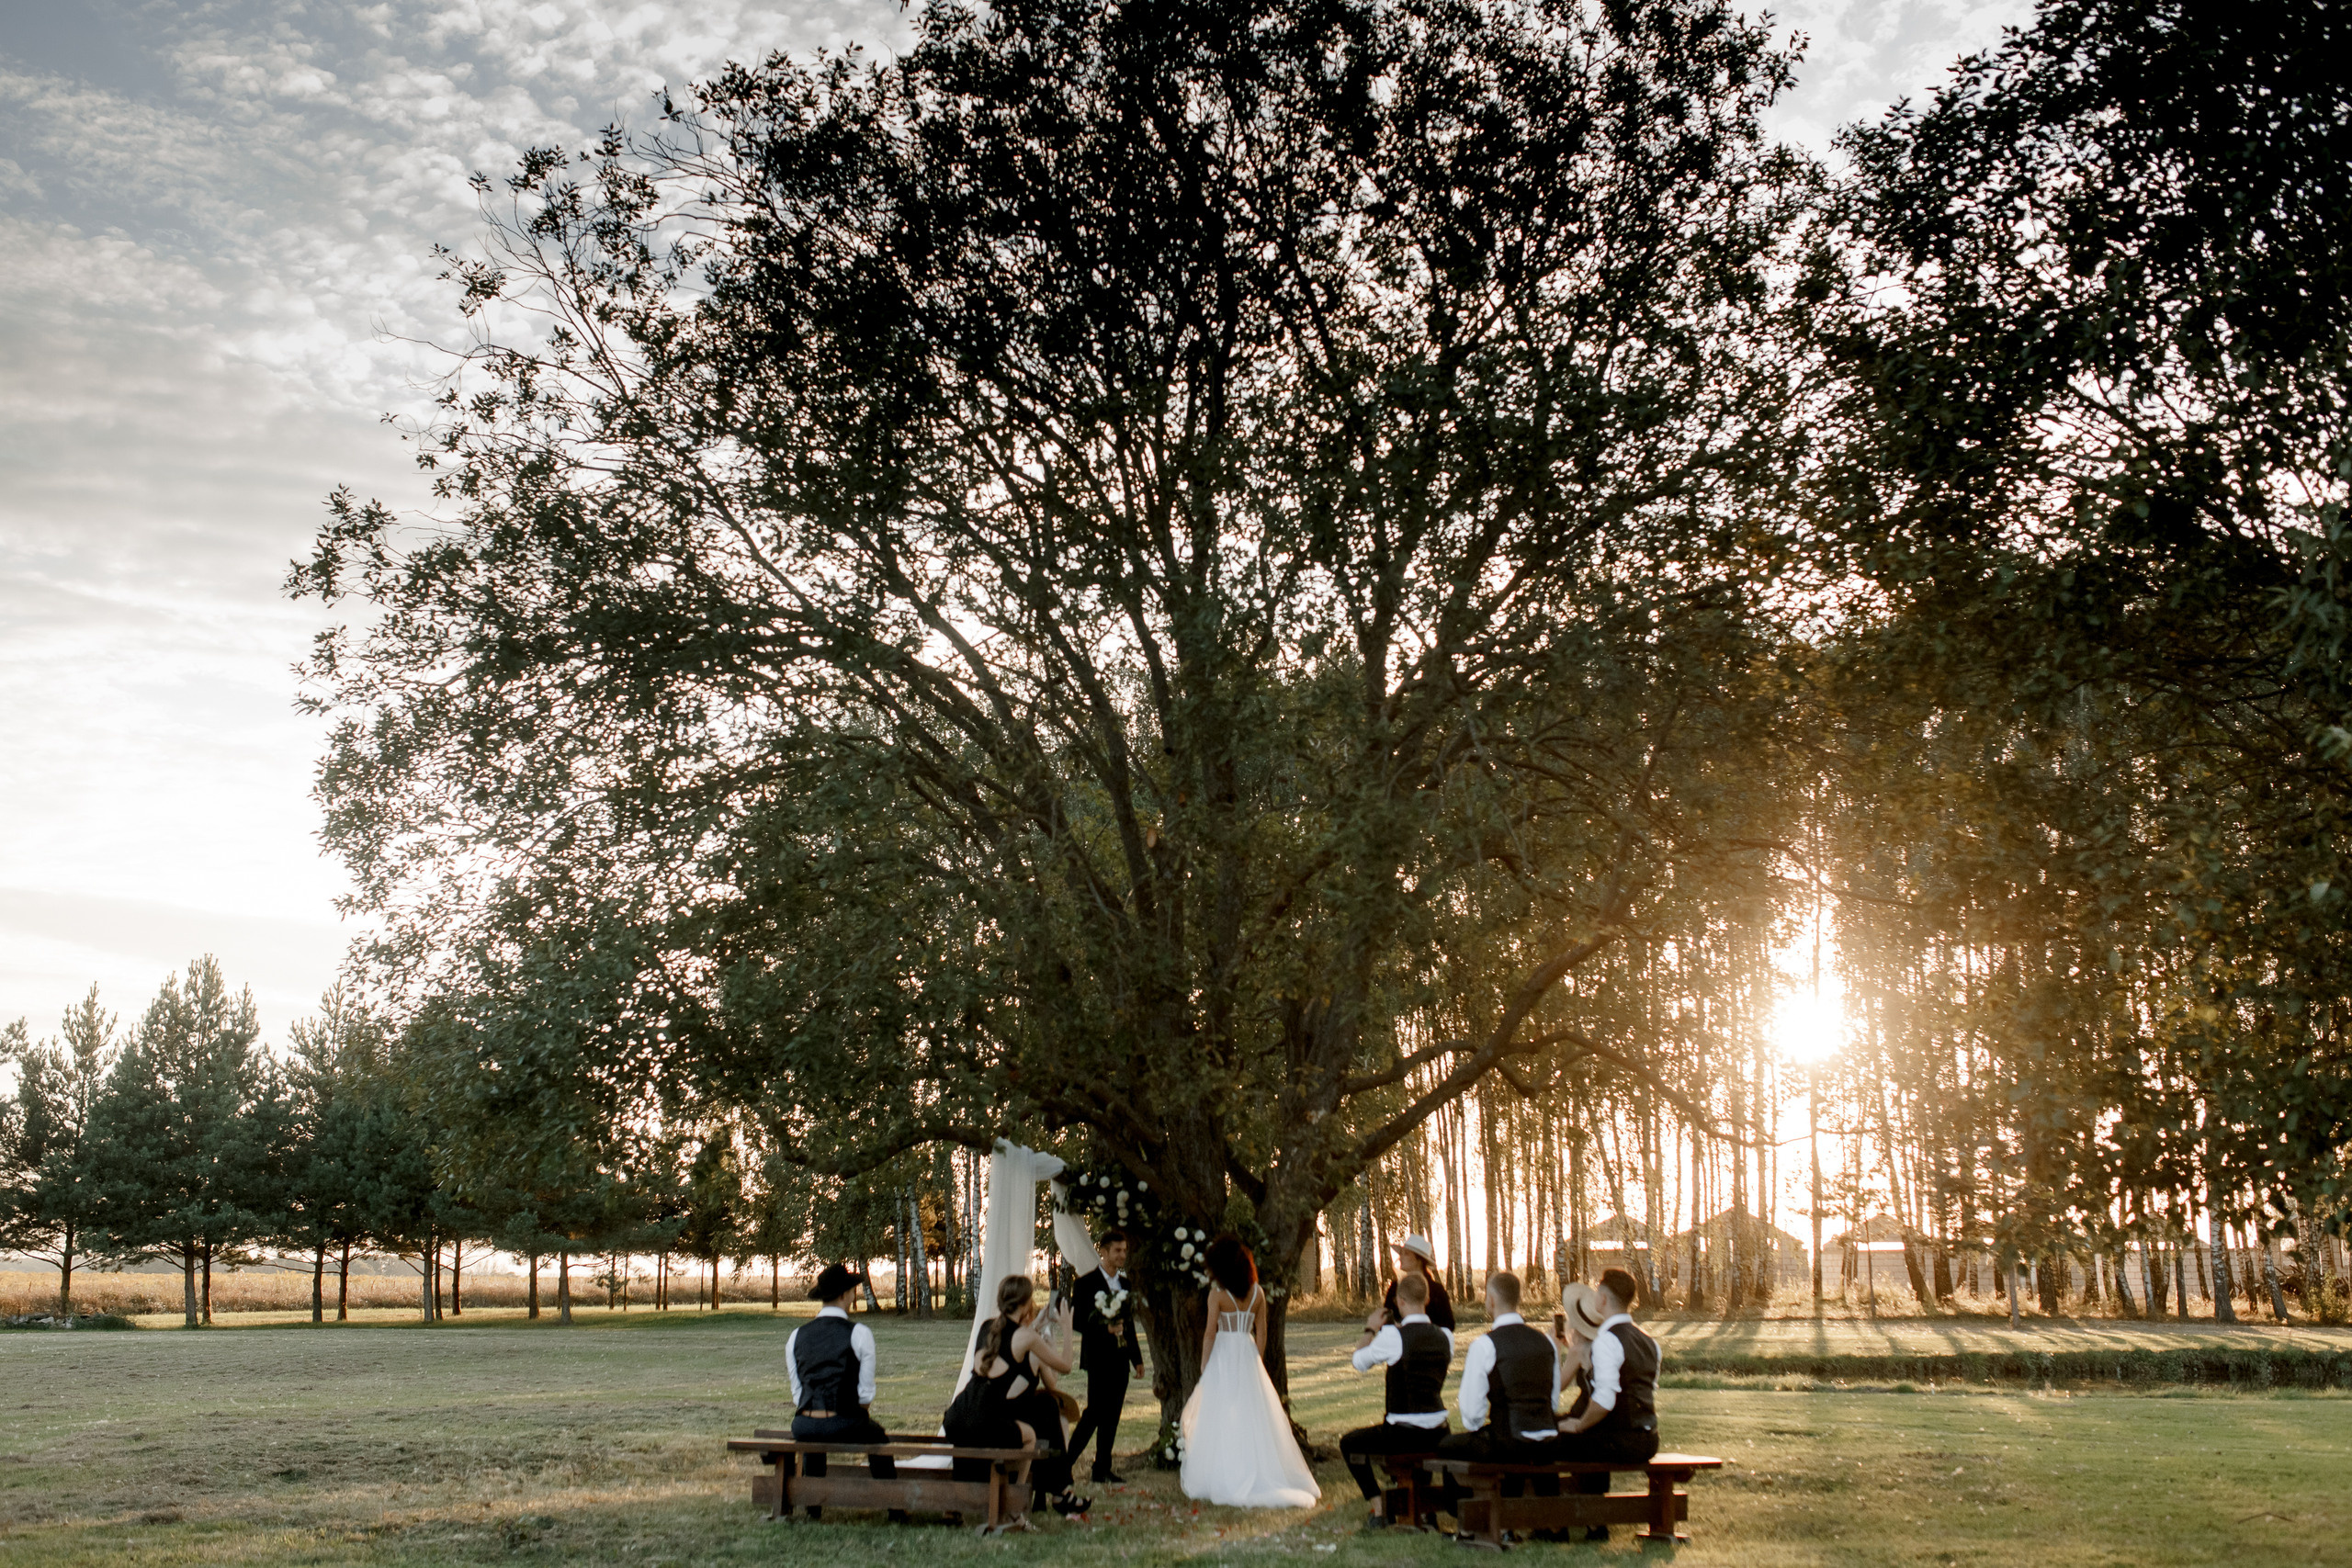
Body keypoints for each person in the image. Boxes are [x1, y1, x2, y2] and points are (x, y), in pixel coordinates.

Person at [1179, 1235, 1322, 1508]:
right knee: (1253, 1414)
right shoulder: (1257, 1292)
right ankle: (1255, 1467)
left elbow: (1210, 1334)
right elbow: (1263, 1331)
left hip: (1223, 1353)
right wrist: (1256, 1358)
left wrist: (1204, 1365)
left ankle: (1225, 1471)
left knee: (1221, 1413)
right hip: (1246, 1352)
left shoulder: (1217, 1295)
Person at [943, 1272, 1091, 1517]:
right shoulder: (1027, 1337)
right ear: (1026, 1303)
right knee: (1033, 1431)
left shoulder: (987, 1327)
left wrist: (1036, 1325)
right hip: (984, 1424)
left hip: (956, 1417)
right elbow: (1064, 1366)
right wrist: (1066, 1329)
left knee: (1044, 1406)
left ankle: (1054, 1493)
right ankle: (1019, 1501)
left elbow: (1011, 1341)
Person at [1338, 1268, 1454, 1527]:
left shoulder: (1393, 1336)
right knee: (1419, 1446)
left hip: (1403, 1432)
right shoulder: (1445, 1336)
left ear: (1399, 1302)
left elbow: (1359, 1362)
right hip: (1439, 1431)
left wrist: (1370, 1329)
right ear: (1426, 1301)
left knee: (1349, 1443)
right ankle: (1423, 1508)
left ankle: (1380, 1508)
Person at [1436, 1269, 1563, 1508]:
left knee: (1448, 1446)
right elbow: (1553, 1401)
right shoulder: (1547, 1343)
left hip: (1509, 1442)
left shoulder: (1485, 1345)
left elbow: (1472, 1413)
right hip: (1548, 1439)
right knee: (1505, 1443)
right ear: (1518, 1299)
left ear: (1491, 1300)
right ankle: (1543, 1519)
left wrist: (1479, 1429)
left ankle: (1466, 1518)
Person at [1553, 1268, 1660, 1542]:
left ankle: (1549, 1522)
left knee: (1544, 1439)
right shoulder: (1649, 1341)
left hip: (1619, 1440)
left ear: (1602, 1299)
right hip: (1648, 1438)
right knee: (1585, 1436)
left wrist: (1578, 1425)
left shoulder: (1607, 1341)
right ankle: (1593, 1522)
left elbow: (1604, 1400)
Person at [787, 1263, 894, 1487]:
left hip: (804, 1425)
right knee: (878, 1437)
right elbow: (865, 1396)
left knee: (812, 1437)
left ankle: (812, 1502)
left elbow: (798, 1394)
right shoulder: (860, 1333)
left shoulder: (796, 1336)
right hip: (844, 1422)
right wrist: (850, 1416)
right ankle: (893, 1502)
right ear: (845, 1294)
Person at [1069, 1225, 1144, 1484]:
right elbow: (1076, 1320)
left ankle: (1102, 1469)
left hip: (1121, 1358)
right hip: (1098, 1357)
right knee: (1094, 1413)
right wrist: (1104, 1328)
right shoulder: (1085, 1283)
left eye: (1124, 1250)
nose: (1122, 1255)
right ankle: (1065, 1462)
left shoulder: (1125, 1284)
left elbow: (1129, 1323)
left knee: (1112, 1414)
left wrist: (1137, 1359)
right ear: (1104, 1252)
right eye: (1118, 1250)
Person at [1382, 1233, 1456, 1330]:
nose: (1400, 1257)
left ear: (1419, 1259)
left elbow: (1448, 1325)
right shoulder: (1395, 1287)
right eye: (1401, 1253)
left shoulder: (1436, 1290)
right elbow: (1384, 1321)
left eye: (1406, 1253)